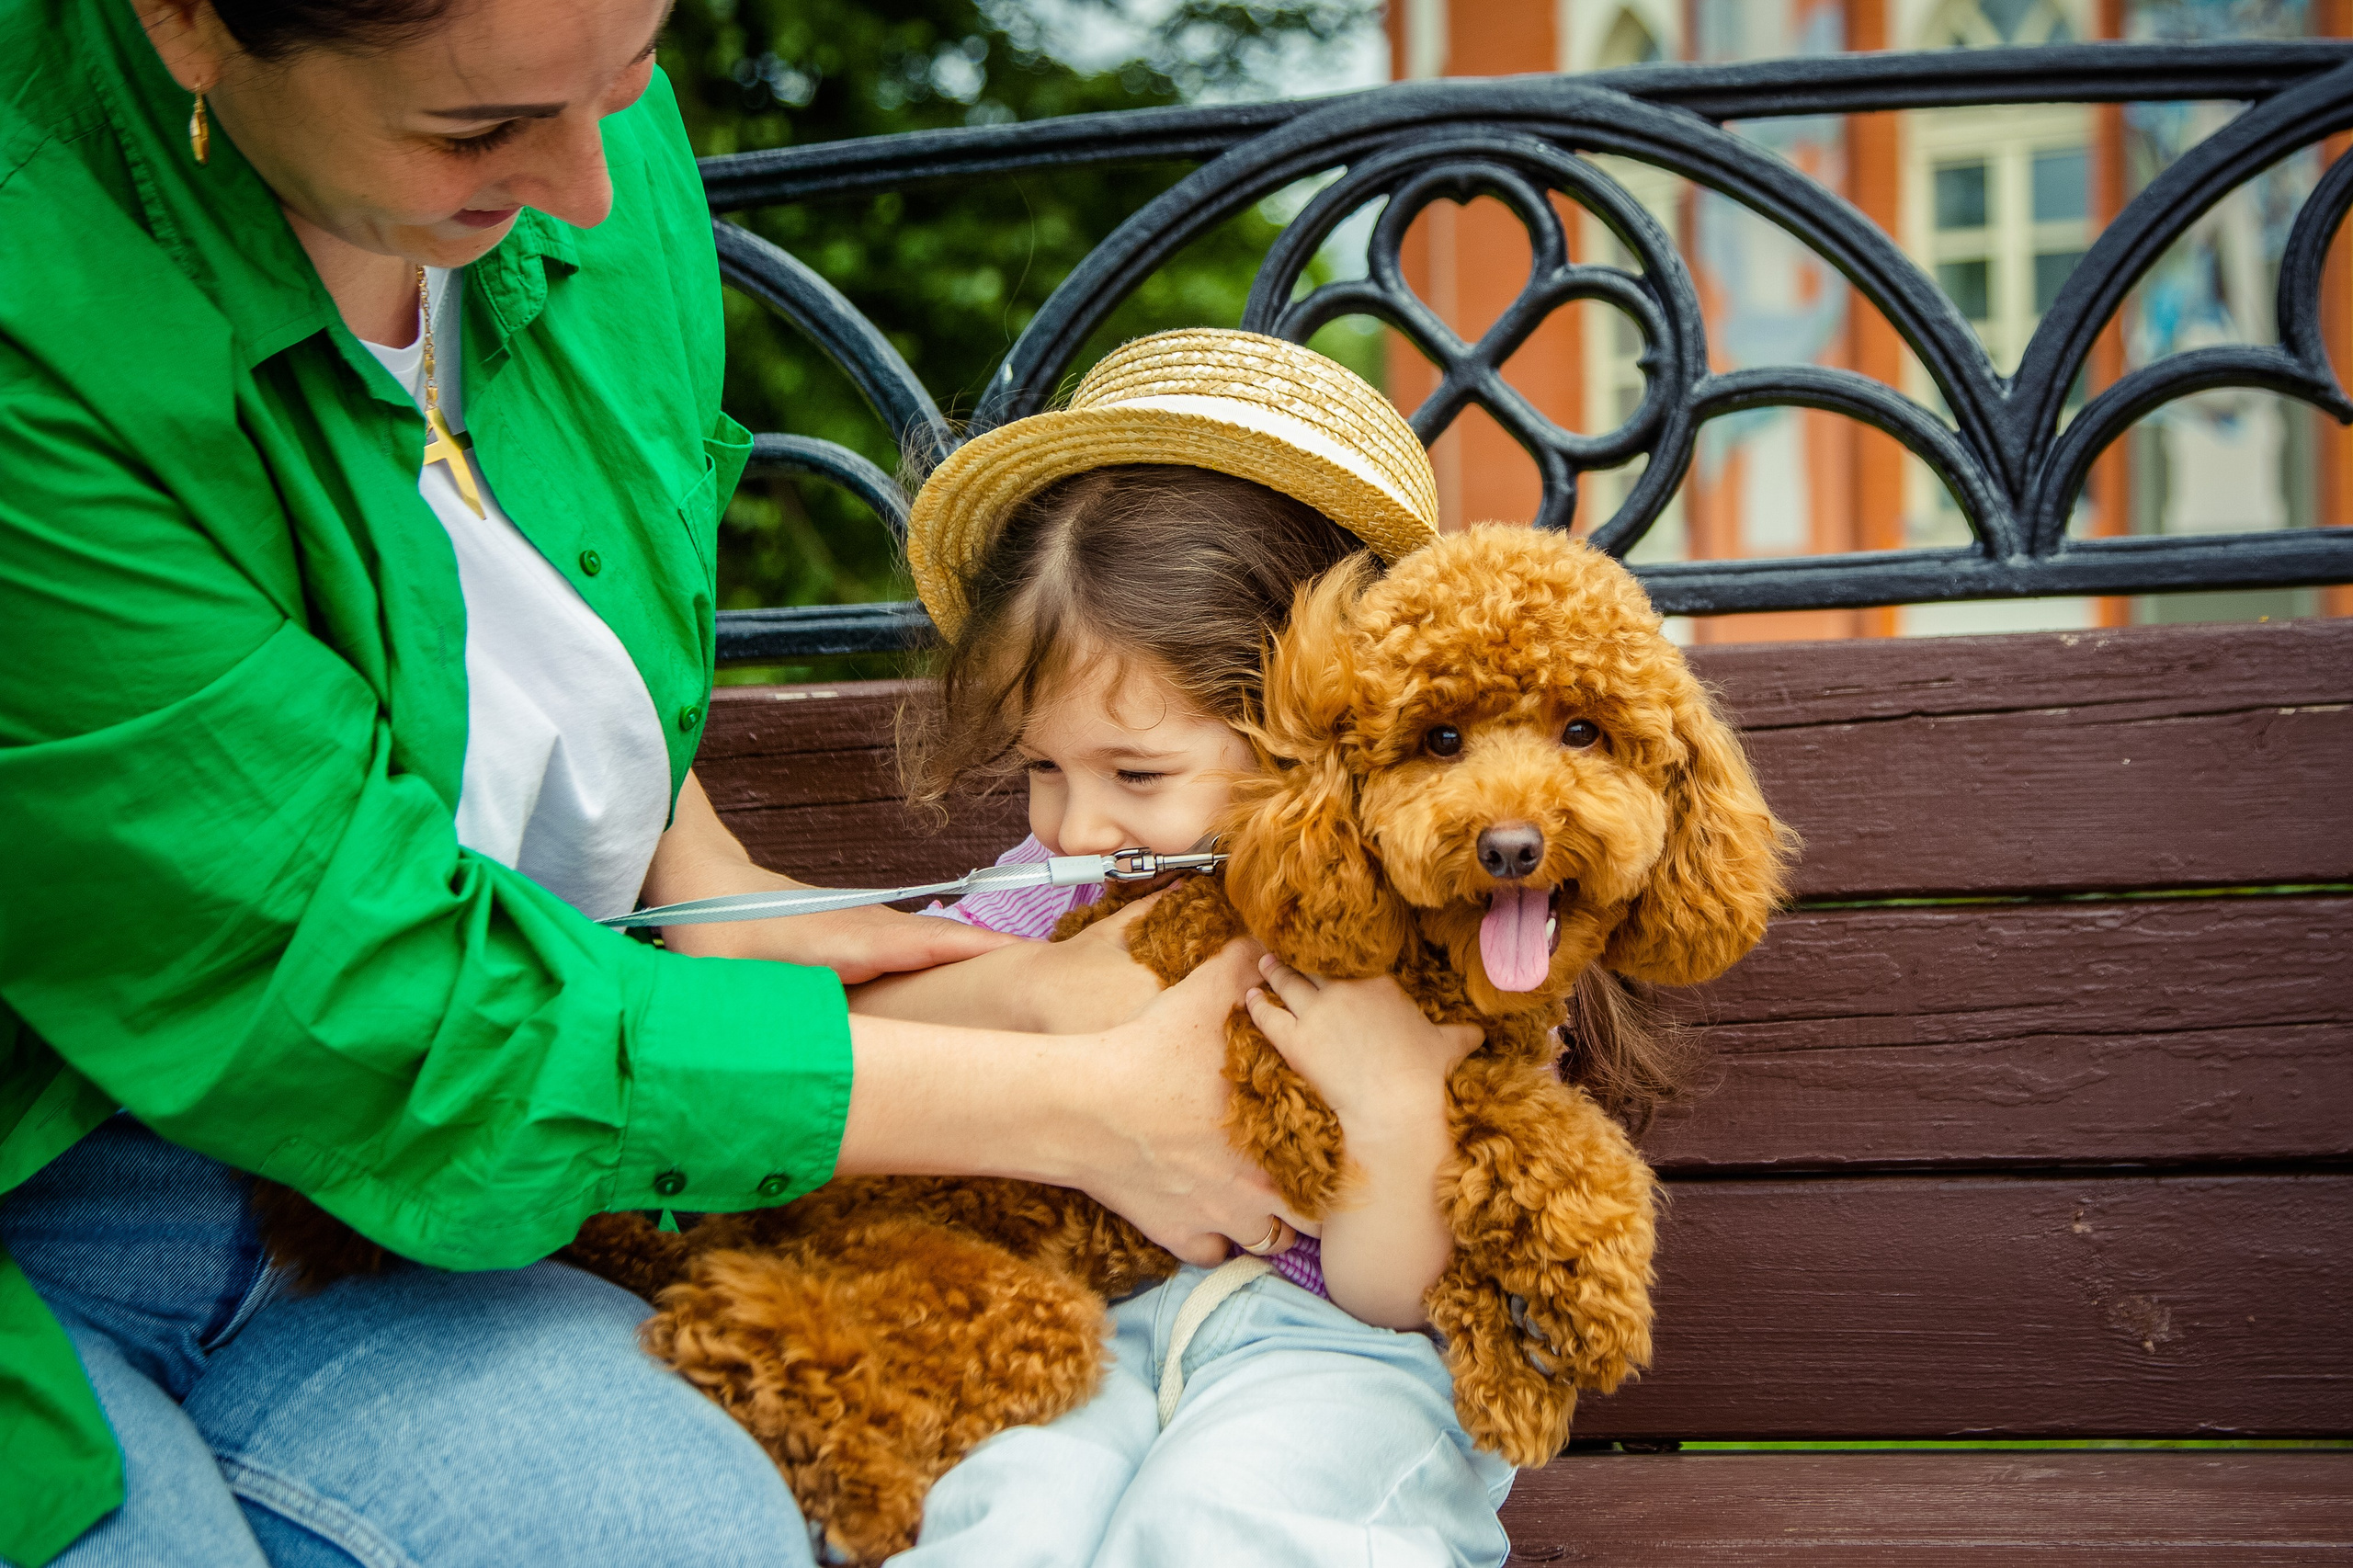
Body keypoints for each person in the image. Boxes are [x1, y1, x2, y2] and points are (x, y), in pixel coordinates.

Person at [0, 5, 1292, 1564]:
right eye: (479, 131)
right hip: (64, 1220)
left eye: (627, 74)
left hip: (399, 1220)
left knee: (685, 1530)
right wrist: (1073, 1099)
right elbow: (356, 998)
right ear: (190, 19)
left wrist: (705, 878)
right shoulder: (34, 288)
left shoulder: (588, 133)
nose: (595, 184)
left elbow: (513, 630)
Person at [849, 329, 1685, 1566]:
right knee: (1005, 1516)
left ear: (1309, 721)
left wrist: (1394, 1109)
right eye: (1041, 767)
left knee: (1231, 1526)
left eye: (1137, 771)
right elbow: (871, 1028)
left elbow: (1398, 1296)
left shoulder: (1437, 930)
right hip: (1097, 1325)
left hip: (1342, 1349)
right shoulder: (1054, 885)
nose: (1076, 825)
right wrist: (1037, 992)